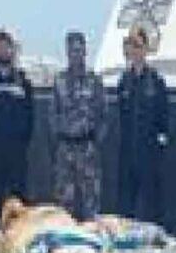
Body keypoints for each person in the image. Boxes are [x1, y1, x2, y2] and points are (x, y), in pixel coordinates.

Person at [0, 29, 34, 227]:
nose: (3, 50)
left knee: (18, 196)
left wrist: (21, 141)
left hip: (17, 150)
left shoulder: (22, 81)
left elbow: (30, 117)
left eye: (6, 46)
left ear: (12, 49)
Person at [51, 30, 107, 220]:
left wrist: (96, 142)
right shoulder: (59, 81)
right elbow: (53, 113)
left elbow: (103, 115)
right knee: (65, 206)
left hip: (88, 148)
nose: (76, 54)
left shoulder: (95, 81)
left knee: (91, 204)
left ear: (85, 51)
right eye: (72, 50)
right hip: (65, 149)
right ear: (67, 53)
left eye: (79, 50)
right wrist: (59, 139)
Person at [116, 26, 169, 223]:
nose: (135, 51)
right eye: (131, 46)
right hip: (129, 148)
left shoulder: (155, 80)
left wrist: (159, 144)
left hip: (149, 150)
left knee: (151, 200)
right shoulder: (124, 81)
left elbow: (164, 117)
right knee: (126, 200)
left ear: (146, 48)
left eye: (138, 46)